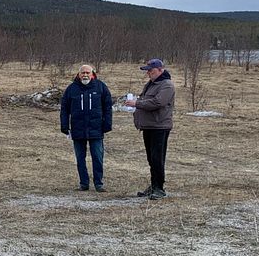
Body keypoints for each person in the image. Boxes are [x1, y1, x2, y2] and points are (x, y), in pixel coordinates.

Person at [125, 59, 175, 200]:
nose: (148, 73)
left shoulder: (167, 85)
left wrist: (137, 103)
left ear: (160, 70)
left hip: (159, 126)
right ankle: (153, 185)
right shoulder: (151, 84)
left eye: (150, 70)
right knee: (151, 158)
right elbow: (146, 100)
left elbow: (158, 102)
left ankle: (159, 188)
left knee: (157, 158)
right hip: (149, 125)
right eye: (147, 71)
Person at [60, 64, 113, 192]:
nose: (85, 75)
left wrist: (107, 124)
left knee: (97, 157)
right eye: (82, 73)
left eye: (87, 73)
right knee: (80, 158)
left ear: (92, 74)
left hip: (96, 129)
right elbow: (64, 109)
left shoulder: (101, 87)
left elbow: (107, 107)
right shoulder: (71, 89)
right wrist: (65, 125)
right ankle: (84, 183)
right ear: (78, 75)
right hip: (78, 129)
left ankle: (98, 183)